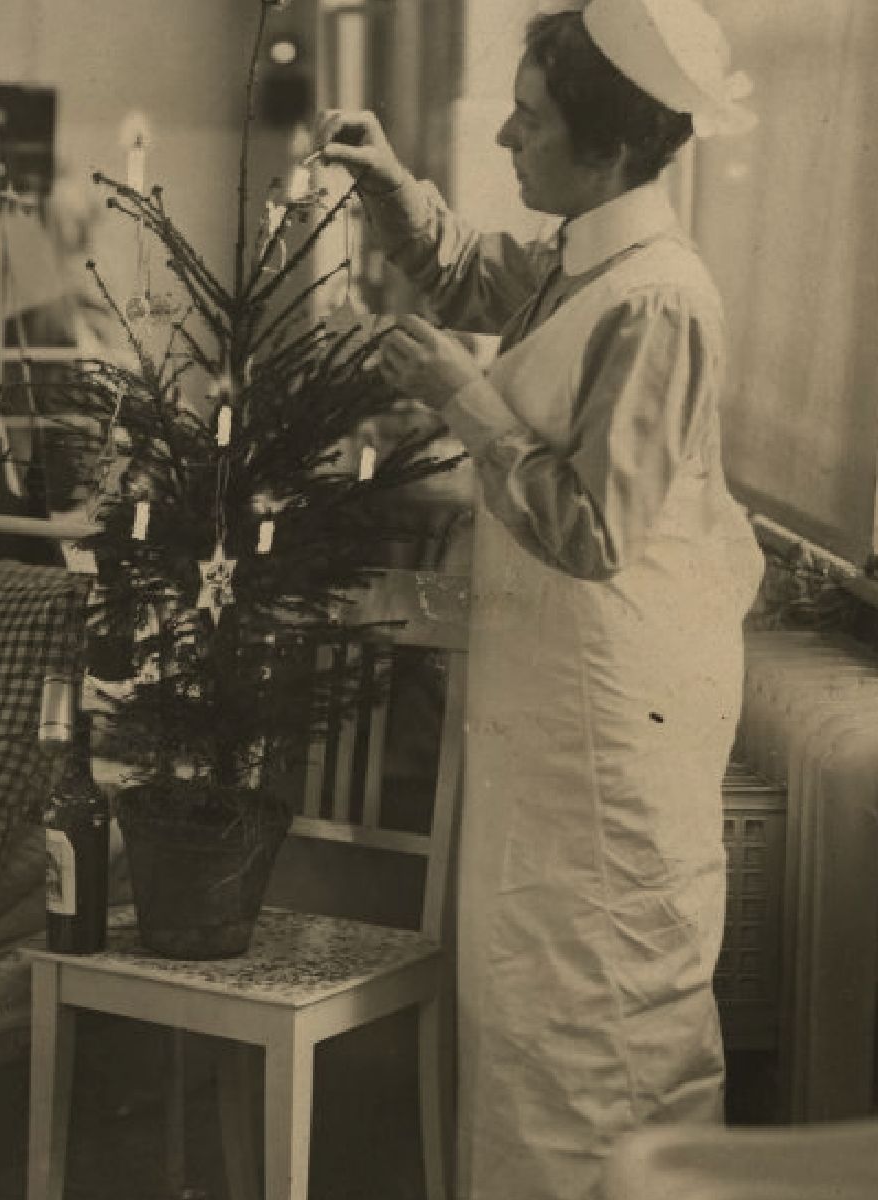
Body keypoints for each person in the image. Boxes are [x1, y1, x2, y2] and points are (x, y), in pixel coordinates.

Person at [314, 2, 764, 1199]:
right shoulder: (588, 258)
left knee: (611, 1027)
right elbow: (474, 267)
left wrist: (466, 399)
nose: (508, 139)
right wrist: (391, 185)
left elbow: (596, 526)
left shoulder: (661, 300)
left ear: (608, 144)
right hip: (555, 710)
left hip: (617, 722)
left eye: (529, 120)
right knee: (530, 1026)